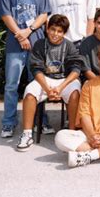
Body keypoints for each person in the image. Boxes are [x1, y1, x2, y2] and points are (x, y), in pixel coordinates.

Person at [0, 0, 50, 138]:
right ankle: (9, 123)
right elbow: (6, 15)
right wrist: (20, 36)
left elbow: (44, 14)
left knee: (37, 83)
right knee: (12, 85)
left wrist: (29, 31)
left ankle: (40, 121)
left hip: (36, 43)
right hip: (15, 44)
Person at [16, 15, 83, 151]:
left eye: (59, 31)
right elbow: (36, 69)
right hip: (45, 79)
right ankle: (27, 133)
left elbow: (76, 70)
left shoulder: (69, 46)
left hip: (64, 80)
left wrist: (60, 88)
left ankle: (71, 132)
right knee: (29, 92)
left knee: (75, 92)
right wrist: (47, 89)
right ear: (47, 29)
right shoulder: (40, 44)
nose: (55, 34)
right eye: (53, 30)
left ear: (64, 33)